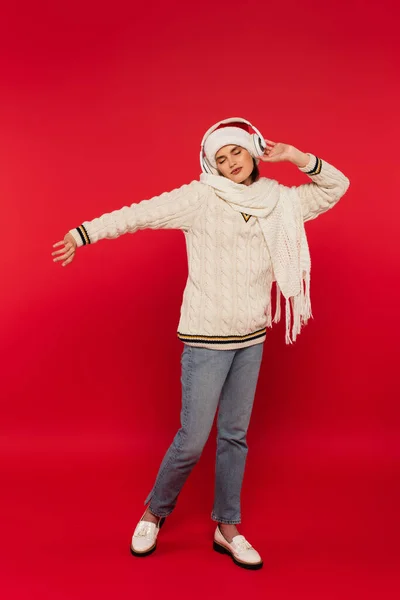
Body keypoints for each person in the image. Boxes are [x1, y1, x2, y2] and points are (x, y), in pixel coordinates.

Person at [52, 117, 350, 570]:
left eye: (236, 151)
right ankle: (154, 513)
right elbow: (139, 213)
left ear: (253, 149)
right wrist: (83, 233)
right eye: (220, 157)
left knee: (235, 435)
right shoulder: (200, 197)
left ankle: (227, 527)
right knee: (192, 439)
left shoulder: (280, 202)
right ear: (210, 165)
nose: (230, 162)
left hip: (252, 335)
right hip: (206, 337)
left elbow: (336, 186)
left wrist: (294, 157)